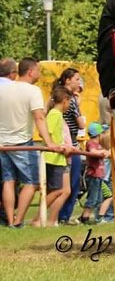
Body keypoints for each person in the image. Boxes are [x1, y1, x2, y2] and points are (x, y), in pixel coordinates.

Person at [0, 57, 62, 227]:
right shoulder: (32, 91)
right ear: (30, 71)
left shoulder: (4, 90)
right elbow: (39, 117)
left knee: (8, 180)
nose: (40, 74)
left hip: (2, 143)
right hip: (22, 143)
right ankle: (18, 220)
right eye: (38, 71)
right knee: (32, 182)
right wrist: (48, 142)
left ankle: (10, 219)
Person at [41, 86, 74, 227]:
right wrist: (55, 145)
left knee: (65, 191)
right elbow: (45, 132)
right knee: (58, 191)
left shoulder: (58, 115)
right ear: (65, 100)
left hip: (60, 158)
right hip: (52, 158)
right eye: (70, 101)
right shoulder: (55, 114)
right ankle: (39, 218)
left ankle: (51, 220)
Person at [56, 68, 86, 225]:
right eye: (76, 79)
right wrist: (79, 108)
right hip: (71, 144)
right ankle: (63, 216)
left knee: (60, 184)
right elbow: (81, 124)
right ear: (67, 80)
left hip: (59, 142)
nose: (78, 82)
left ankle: (59, 215)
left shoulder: (55, 95)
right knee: (73, 184)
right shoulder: (70, 99)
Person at [80, 122, 111, 224]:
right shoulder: (91, 143)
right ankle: (84, 218)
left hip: (99, 176)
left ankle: (95, 218)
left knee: (98, 199)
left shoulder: (99, 145)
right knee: (92, 199)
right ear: (99, 134)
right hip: (93, 176)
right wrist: (102, 153)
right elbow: (93, 152)